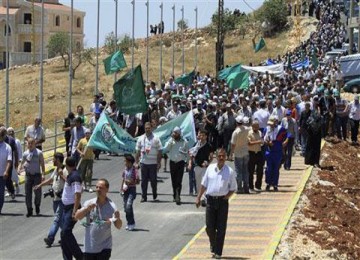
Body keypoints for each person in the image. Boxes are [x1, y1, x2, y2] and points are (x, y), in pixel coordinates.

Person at [195, 148, 237, 259]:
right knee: (209, 227)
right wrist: (198, 197)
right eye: (219, 156)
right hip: (210, 201)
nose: (221, 158)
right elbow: (204, 184)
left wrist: (226, 197)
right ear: (216, 157)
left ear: (226, 157)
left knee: (221, 228)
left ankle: (218, 252)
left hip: (222, 202)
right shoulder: (210, 168)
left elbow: (233, 188)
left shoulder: (230, 172)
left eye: (223, 156)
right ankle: (213, 244)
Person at [75, 179, 122, 260]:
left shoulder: (112, 206)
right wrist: (87, 209)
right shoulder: (89, 203)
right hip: (89, 247)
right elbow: (77, 216)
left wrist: (118, 219)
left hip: (105, 247)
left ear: (107, 190)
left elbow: (118, 226)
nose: (98, 189)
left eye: (100, 188)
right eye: (96, 187)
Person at [34, 152, 68, 247]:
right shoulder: (56, 170)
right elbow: (50, 180)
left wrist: (62, 175)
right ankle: (66, 236)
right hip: (55, 198)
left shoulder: (64, 170)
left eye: (53, 159)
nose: (52, 161)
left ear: (58, 160)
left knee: (57, 219)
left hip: (62, 199)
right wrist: (40, 185)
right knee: (60, 220)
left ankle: (50, 238)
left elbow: (69, 182)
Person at [61, 156, 83, 260]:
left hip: (71, 208)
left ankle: (80, 256)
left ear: (66, 165)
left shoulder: (75, 177)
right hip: (66, 208)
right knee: (63, 234)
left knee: (66, 232)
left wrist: (74, 211)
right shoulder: (71, 175)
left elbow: (77, 195)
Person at [135, 122, 162, 202]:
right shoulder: (140, 138)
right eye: (146, 128)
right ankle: (144, 196)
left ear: (151, 128)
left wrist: (159, 162)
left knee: (153, 180)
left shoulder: (156, 138)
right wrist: (136, 162)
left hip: (153, 163)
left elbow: (160, 150)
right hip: (144, 163)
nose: (147, 129)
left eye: (149, 128)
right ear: (144, 129)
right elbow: (137, 151)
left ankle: (154, 193)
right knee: (144, 181)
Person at [18, 138, 45, 217]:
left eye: (31, 143)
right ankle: (29, 209)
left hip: (36, 175)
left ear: (35, 144)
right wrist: (19, 169)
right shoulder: (25, 153)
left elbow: (42, 164)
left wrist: (43, 174)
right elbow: (22, 162)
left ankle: (37, 205)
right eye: (28, 143)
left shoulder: (39, 153)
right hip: (28, 175)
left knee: (37, 193)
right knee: (28, 193)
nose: (29, 145)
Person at [163, 126, 189, 205]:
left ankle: (178, 196)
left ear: (179, 133)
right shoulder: (171, 141)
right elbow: (165, 149)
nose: (174, 134)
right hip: (172, 162)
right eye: (173, 132)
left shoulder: (184, 141)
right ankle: (175, 195)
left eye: (176, 133)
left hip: (180, 163)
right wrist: (170, 142)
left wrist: (187, 162)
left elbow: (187, 152)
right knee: (173, 180)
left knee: (179, 180)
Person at [189, 129, 213, 206]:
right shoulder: (196, 144)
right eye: (200, 135)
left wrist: (208, 162)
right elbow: (191, 155)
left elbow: (211, 157)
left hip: (205, 167)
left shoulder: (209, 145)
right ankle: (200, 197)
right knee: (198, 183)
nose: (201, 137)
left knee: (204, 182)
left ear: (206, 136)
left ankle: (203, 198)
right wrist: (190, 164)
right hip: (197, 166)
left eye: (203, 135)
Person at [263, 117, 288, 191]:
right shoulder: (266, 129)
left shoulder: (281, 129)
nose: (271, 125)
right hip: (269, 151)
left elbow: (288, 135)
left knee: (276, 168)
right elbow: (263, 139)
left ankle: (275, 184)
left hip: (277, 150)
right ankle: (268, 183)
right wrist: (268, 143)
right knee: (268, 168)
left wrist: (285, 142)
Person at [230, 115, 250, 194]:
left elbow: (233, 144)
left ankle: (239, 188)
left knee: (239, 171)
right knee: (245, 170)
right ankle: (246, 187)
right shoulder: (247, 129)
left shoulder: (235, 132)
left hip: (238, 153)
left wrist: (231, 153)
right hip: (245, 152)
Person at [121, 154, 139, 231]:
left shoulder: (135, 171)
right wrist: (121, 188)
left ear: (130, 162)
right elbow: (123, 179)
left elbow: (138, 182)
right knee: (126, 208)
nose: (124, 163)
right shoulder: (125, 170)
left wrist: (131, 182)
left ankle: (132, 223)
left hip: (132, 190)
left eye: (125, 161)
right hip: (125, 190)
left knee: (128, 205)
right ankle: (129, 222)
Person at [304, 102, 322, 168]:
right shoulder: (317, 115)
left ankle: (311, 161)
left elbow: (307, 123)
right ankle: (315, 162)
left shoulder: (312, 114)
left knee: (311, 147)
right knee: (315, 148)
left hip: (311, 134)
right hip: (315, 134)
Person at [247, 120, 264, 191]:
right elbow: (249, 143)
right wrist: (258, 142)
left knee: (260, 170)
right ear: (252, 126)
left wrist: (261, 142)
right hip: (251, 153)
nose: (257, 128)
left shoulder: (260, 132)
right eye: (255, 127)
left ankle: (258, 186)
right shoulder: (249, 133)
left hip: (259, 152)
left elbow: (262, 141)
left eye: (258, 127)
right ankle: (250, 186)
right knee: (250, 171)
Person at [0, 126, 12, 215]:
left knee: (1, 193)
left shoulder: (7, 147)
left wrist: (6, 171)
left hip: (2, 175)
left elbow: (9, 160)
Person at [6, 127, 22, 194]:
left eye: (12, 131)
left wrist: (19, 163)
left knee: (14, 175)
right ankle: (9, 191)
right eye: (9, 131)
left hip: (15, 161)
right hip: (8, 161)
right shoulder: (6, 141)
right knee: (8, 177)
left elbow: (19, 152)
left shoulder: (17, 141)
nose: (11, 133)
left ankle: (17, 186)